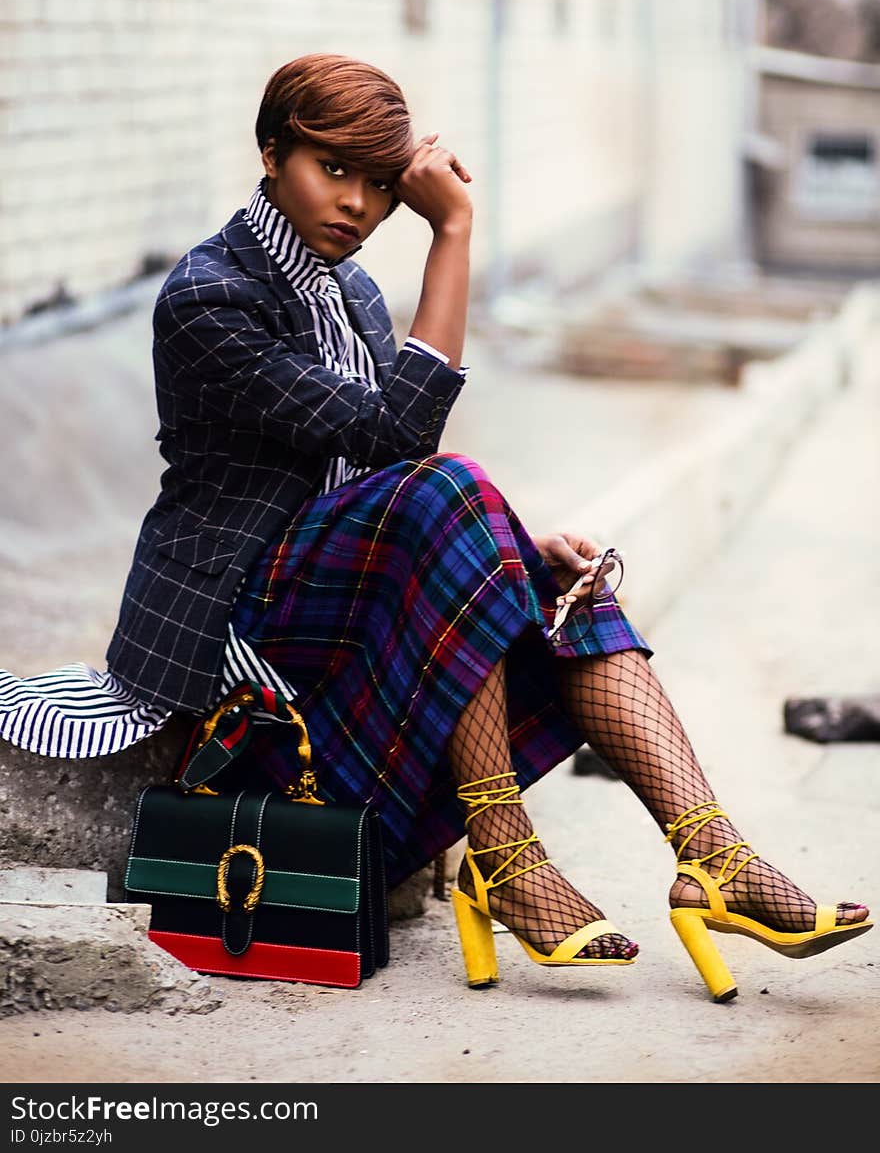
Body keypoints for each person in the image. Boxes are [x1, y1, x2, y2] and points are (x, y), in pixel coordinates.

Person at [0, 53, 871, 1002]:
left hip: (338, 593)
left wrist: (514, 546)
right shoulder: (212, 296)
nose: (358, 206)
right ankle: (505, 854)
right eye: (332, 170)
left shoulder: (355, 294)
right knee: (451, 486)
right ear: (270, 152)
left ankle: (716, 859)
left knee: (558, 584)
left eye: (380, 185)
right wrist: (451, 231)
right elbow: (403, 440)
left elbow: (391, 473)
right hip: (234, 617)